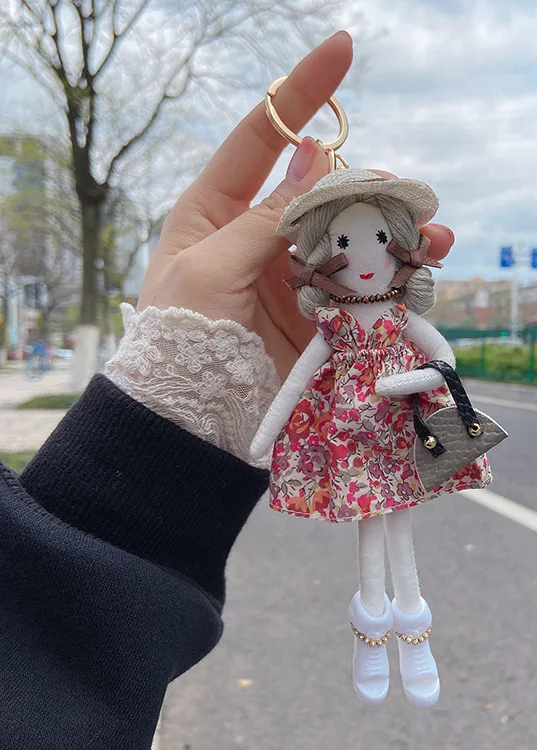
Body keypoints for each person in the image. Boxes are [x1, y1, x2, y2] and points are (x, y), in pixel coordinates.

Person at [0, 32, 455, 749]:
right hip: (357, 430)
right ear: (323, 253)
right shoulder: (334, 326)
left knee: (396, 525)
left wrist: (416, 382)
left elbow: (442, 359)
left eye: (378, 241)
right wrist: (245, 420)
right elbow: (302, 375)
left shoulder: (397, 319)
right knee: (373, 529)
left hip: (390, 425)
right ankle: (375, 631)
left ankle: (415, 631)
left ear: (402, 248)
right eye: (344, 242)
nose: (362, 258)